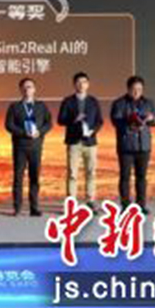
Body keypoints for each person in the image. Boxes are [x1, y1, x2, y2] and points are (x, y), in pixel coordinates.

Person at [111, 75, 155, 214]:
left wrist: (152, 118)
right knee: (125, 177)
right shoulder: (119, 103)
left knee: (141, 178)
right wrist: (130, 123)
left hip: (143, 146)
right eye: (134, 89)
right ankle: (126, 206)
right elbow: (116, 121)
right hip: (126, 146)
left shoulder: (148, 103)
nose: (136, 92)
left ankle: (141, 205)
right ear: (128, 89)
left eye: (139, 89)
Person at [4, 77, 52, 217]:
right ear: (20, 90)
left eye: (30, 87)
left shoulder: (41, 106)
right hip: (20, 146)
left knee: (34, 177)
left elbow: (49, 123)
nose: (27, 89)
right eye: (24, 87)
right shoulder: (14, 107)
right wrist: (23, 132)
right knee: (18, 177)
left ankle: (34, 207)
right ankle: (17, 207)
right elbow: (9, 125)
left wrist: (40, 132)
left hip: (36, 146)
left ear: (34, 89)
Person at [57, 72, 104, 212]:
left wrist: (93, 131)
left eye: (84, 82)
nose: (81, 85)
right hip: (74, 142)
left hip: (90, 142)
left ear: (88, 84)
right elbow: (60, 120)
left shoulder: (93, 101)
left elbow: (99, 121)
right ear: (74, 84)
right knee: (72, 173)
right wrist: (74, 119)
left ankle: (90, 200)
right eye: (78, 82)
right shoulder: (68, 101)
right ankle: (71, 203)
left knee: (91, 172)